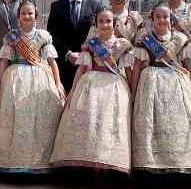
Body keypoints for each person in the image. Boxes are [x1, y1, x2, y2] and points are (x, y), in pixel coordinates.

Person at [51, 9, 134, 173]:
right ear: (95, 25)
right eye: (101, 21)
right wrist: (73, 91)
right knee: (89, 122)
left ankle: (109, 162)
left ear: (115, 24)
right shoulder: (91, 45)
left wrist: (132, 90)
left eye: (108, 21)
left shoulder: (122, 44)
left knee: (109, 124)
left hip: (114, 86)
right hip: (90, 85)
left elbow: (128, 70)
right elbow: (81, 69)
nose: (105, 24)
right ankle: (86, 162)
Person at [129, 4, 191, 174]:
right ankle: (153, 163)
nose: (161, 20)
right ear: (152, 20)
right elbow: (136, 68)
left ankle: (181, 160)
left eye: (165, 17)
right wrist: (133, 92)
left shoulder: (180, 39)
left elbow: (188, 65)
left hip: (177, 82)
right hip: (151, 83)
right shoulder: (145, 40)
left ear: (171, 20)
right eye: (158, 17)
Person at [0, 0, 63, 174]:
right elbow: (4, 61)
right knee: (14, 117)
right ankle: (13, 161)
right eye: (23, 13)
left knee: (38, 118)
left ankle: (38, 162)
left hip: (39, 79)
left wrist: (58, 82)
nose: (27, 16)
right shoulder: (12, 37)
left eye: (30, 13)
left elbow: (52, 62)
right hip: (15, 78)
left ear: (36, 16)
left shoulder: (43, 36)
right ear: (19, 17)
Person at [46, 0, 103, 93]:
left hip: (88, 64)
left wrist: (86, 52)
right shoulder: (56, 6)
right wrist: (68, 53)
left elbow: (100, 34)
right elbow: (51, 35)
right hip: (64, 63)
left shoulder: (96, 6)